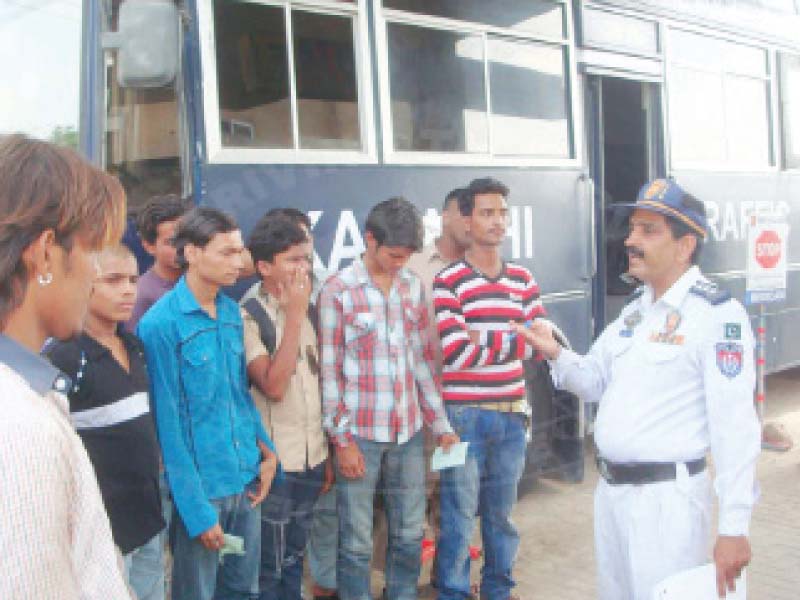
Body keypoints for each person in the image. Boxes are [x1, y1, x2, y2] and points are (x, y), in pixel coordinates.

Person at [513, 179, 759, 600]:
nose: (630, 240)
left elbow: (735, 428)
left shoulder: (716, 317)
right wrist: (555, 352)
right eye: (632, 230)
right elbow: (592, 381)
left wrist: (733, 528)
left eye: (648, 231)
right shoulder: (634, 312)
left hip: (667, 504)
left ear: (685, 247)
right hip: (613, 497)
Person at [0, 133, 132, 598]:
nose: (96, 272)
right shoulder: (17, 428)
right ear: (45, 253)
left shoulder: (26, 393)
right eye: (93, 250)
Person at [318, 197, 459, 600]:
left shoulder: (412, 286)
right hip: (360, 436)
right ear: (369, 240)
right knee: (358, 541)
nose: (400, 264)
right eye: (394, 255)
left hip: (409, 434)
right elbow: (329, 371)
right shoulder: (338, 290)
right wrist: (341, 441)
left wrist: (441, 425)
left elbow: (420, 362)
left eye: (407, 257)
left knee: (409, 535)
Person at [138, 207, 280, 600]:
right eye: (226, 253)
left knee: (243, 590)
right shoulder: (160, 325)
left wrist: (268, 454)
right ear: (192, 253)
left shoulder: (231, 314)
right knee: (196, 592)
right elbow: (168, 424)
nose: (239, 263)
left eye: (239, 252)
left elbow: (239, 395)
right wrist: (196, 510)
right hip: (202, 492)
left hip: (245, 481)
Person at [433, 177, 546, 600]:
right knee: (458, 517)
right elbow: (456, 352)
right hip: (462, 419)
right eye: (486, 212)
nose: (497, 221)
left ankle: (498, 591)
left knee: (501, 516)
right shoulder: (449, 282)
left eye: (502, 212)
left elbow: (542, 345)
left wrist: (487, 341)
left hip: (513, 414)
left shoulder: (522, 279)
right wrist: (517, 339)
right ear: (466, 219)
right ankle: (454, 593)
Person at [46, 244, 165, 600]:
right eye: (113, 280)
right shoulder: (67, 356)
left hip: (147, 517)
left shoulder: (135, 346)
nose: (128, 290)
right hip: (100, 528)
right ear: (84, 283)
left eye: (132, 279)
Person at [242, 214, 331, 600]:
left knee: (294, 559)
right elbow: (274, 386)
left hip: (311, 458)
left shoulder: (313, 308)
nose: (304, 269)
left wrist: (325, 452)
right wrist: (293, 313)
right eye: (293, 260)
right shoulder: (250, 315)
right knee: (268, 568)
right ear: (264, 266)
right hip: (276, 466)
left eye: (306, 259)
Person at [405, 186, 471, 586]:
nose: (471, 222)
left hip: (465, 406)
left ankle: (448, 582)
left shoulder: (484, 267)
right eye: (462, 213)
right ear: (445, 215)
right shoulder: (412, 265)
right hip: (419, 406)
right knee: (412, 498)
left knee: (457, 499)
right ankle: (404, 584)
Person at [125, 193, 189, 332]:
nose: (181, 247)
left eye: (186, 238)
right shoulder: (140, 295)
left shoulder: (204, 281)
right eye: (171, 242)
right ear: (149, 246)